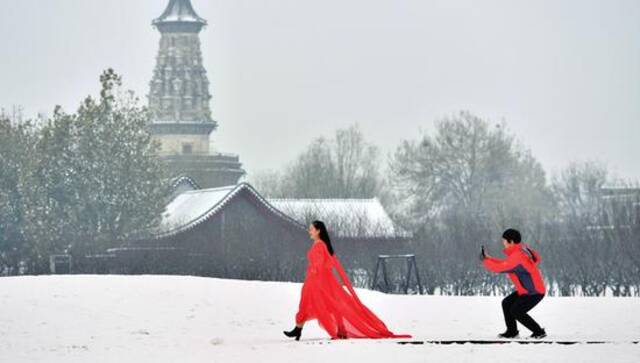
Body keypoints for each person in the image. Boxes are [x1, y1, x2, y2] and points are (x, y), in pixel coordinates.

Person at [283, 220, 411, 341]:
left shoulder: (319, 245)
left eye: (311, 229)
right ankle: (302, 329)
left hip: (317, 281)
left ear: (318, 231)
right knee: (324, 304)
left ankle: (303, 329)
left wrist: (314, 272)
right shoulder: (320, 244)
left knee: (320, 304)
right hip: (317, 280)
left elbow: (319, 263)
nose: (309, 231)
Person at [480, 228, 547, 339]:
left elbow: (500, 268)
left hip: (534, 292)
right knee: (507, 303)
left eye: (504, 241)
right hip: (527, 291)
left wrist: (485, 261)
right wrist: (488, 258)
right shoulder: (519, 251)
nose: (503, 244)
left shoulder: (518, 257)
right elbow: (505, 263)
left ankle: (538, 332)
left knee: (516, 311)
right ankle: (512, 332)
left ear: (511, 241)